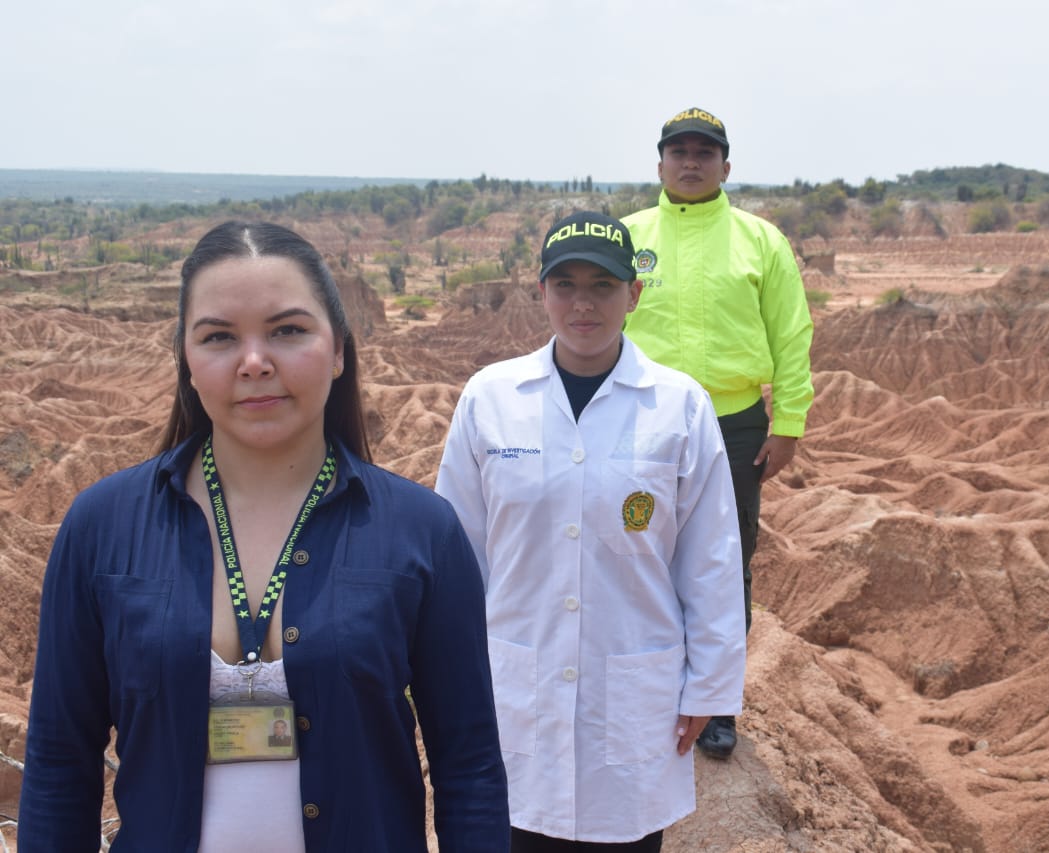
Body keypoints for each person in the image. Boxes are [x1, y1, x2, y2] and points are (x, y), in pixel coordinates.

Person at [19, 221, 509, 851]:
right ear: (186, 361)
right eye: (219, 337)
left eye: (288, 330)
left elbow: (467, 764)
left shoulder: (421, 532)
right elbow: (61, 762)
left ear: (338, 350)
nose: (255, 362)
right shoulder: (101, 528)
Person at [435, 211, 746, 851]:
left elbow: (710, 557)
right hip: (516, 685)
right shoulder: (490, 398)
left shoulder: (680, 405)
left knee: (625, 835)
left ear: (633, 294)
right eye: (565, 284)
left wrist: (709, 686)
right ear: (540, 291)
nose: (583, 304)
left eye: (603, 286)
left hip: (633, 690)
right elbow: (456, 554)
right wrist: (447, 677)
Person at [621, 107, 814, 759]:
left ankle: (717, 701)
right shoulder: (627, 237)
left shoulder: (760, 240)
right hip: (639, 425)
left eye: (705, 152)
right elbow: (590, 326)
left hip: (734, 426)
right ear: (660, 165)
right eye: (679, 151)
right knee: (635, 546)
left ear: (726, 167)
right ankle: (641, 688)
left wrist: (786, 422)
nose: (692, 162)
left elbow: (791, 332)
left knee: (724, 561)